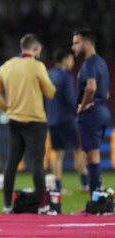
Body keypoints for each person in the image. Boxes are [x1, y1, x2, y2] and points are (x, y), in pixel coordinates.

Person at [0, 34, 56, 214]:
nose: (39, 54)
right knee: (37, 164)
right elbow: (50, 92)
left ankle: (7, 205)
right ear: (34, 49)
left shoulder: (7, 66)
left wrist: (7, 109)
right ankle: (43, 206)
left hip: (15, 121)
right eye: (39, 51)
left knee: (11, 163)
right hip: (35, 121)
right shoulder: (37, 66)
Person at [71, 28, 110, 198]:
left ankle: (95, 201)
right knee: (93, 156)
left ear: (87, 43)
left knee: (92, 158)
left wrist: (82, 106)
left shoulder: (89, 63)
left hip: (91, 114)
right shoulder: (101, 62)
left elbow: (92, 87)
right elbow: (106, 92)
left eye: (76, 43)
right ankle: (98, 198)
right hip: (102, 111)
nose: (73, 47)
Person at [44, 49, 89, 193]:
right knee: (80, 150)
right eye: (71, 59)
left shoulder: (48, 75)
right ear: (64, 60)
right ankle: (85, 184)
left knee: (57, 154)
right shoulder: (66, 77)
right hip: (66, 120)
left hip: (52, 120)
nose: (73, 62)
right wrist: (81, 108)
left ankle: (57, 187)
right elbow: (70, 99)